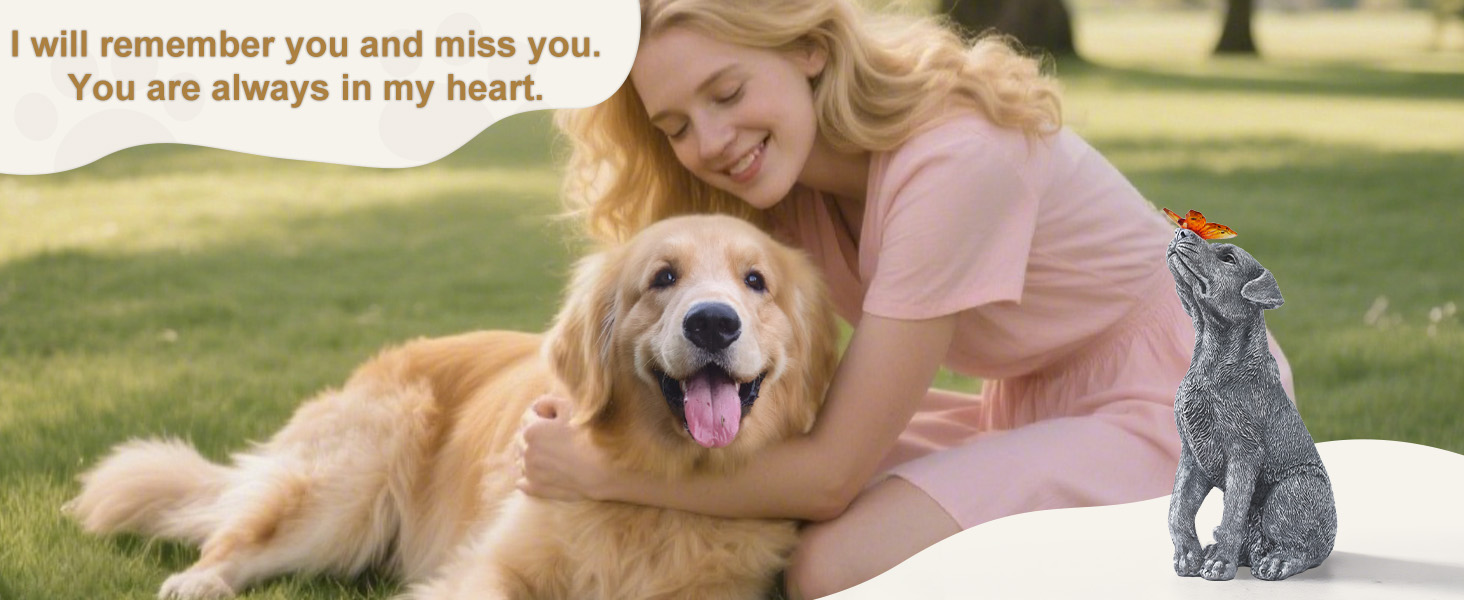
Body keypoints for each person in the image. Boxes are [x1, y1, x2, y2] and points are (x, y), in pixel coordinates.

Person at [517, 0, 1296, 598]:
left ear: (809, 47)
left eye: (726, 91)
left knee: (830, 562)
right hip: (1032, 399)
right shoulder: (783, 194)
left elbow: (829, 475)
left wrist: (598, 472)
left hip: (1184, 402)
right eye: (677, 124)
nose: (712, 141)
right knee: (744, 484)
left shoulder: (954, 162)